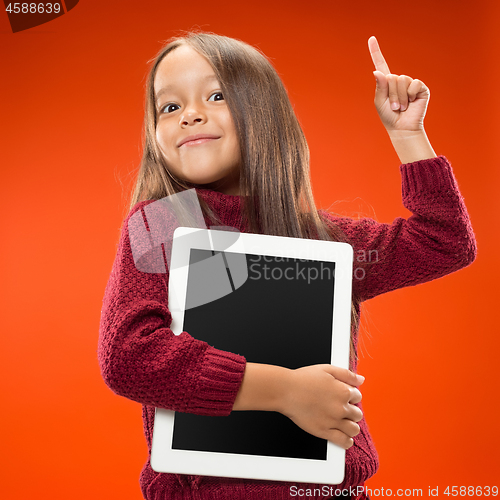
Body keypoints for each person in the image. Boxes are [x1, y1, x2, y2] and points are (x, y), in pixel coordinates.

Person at [98, 33, 476, 500]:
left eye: (216, 96)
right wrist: (285, 391)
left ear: (263, 115)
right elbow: (130, 356)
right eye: (169, 107)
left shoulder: (320, 238)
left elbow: (446, 241)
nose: (189, 114)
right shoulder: (163, 224)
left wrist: (407, 134)